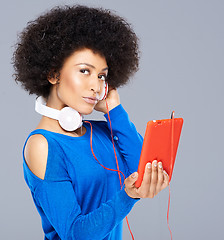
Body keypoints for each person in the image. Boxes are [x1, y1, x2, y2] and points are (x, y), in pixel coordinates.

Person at [12, 5, 169, 240]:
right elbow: (76, 233)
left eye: (101, 75)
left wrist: (114, 110)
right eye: (85, 71)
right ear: (54, 74)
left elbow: (145, 172)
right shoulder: (43, 146)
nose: (96, 86)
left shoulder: (107, 131)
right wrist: (128, 196)